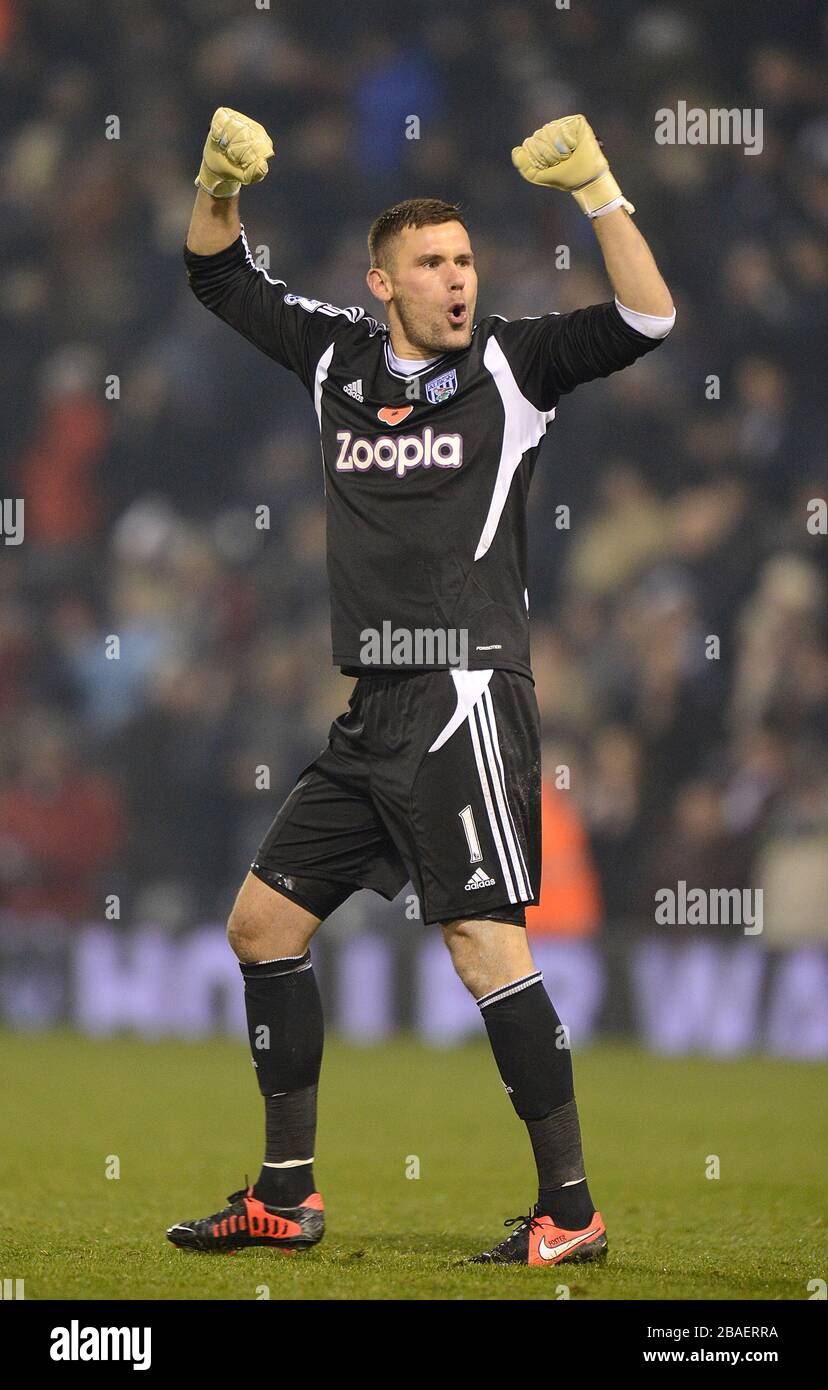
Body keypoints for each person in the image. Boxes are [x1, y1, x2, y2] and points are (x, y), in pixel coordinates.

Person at [166, 108, 675, 1265]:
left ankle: (571, 1212)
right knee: (261, 925)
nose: (457, 280)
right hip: (371, 708)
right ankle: (285, 1197)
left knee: (485, 947)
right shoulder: (337, 354)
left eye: (466, 261)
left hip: (463, 693)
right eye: (433, 264)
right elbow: (211, 266)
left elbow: (649, 314)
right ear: (381, 283)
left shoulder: (515, 361)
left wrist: (598, 189)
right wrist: (218, 180)